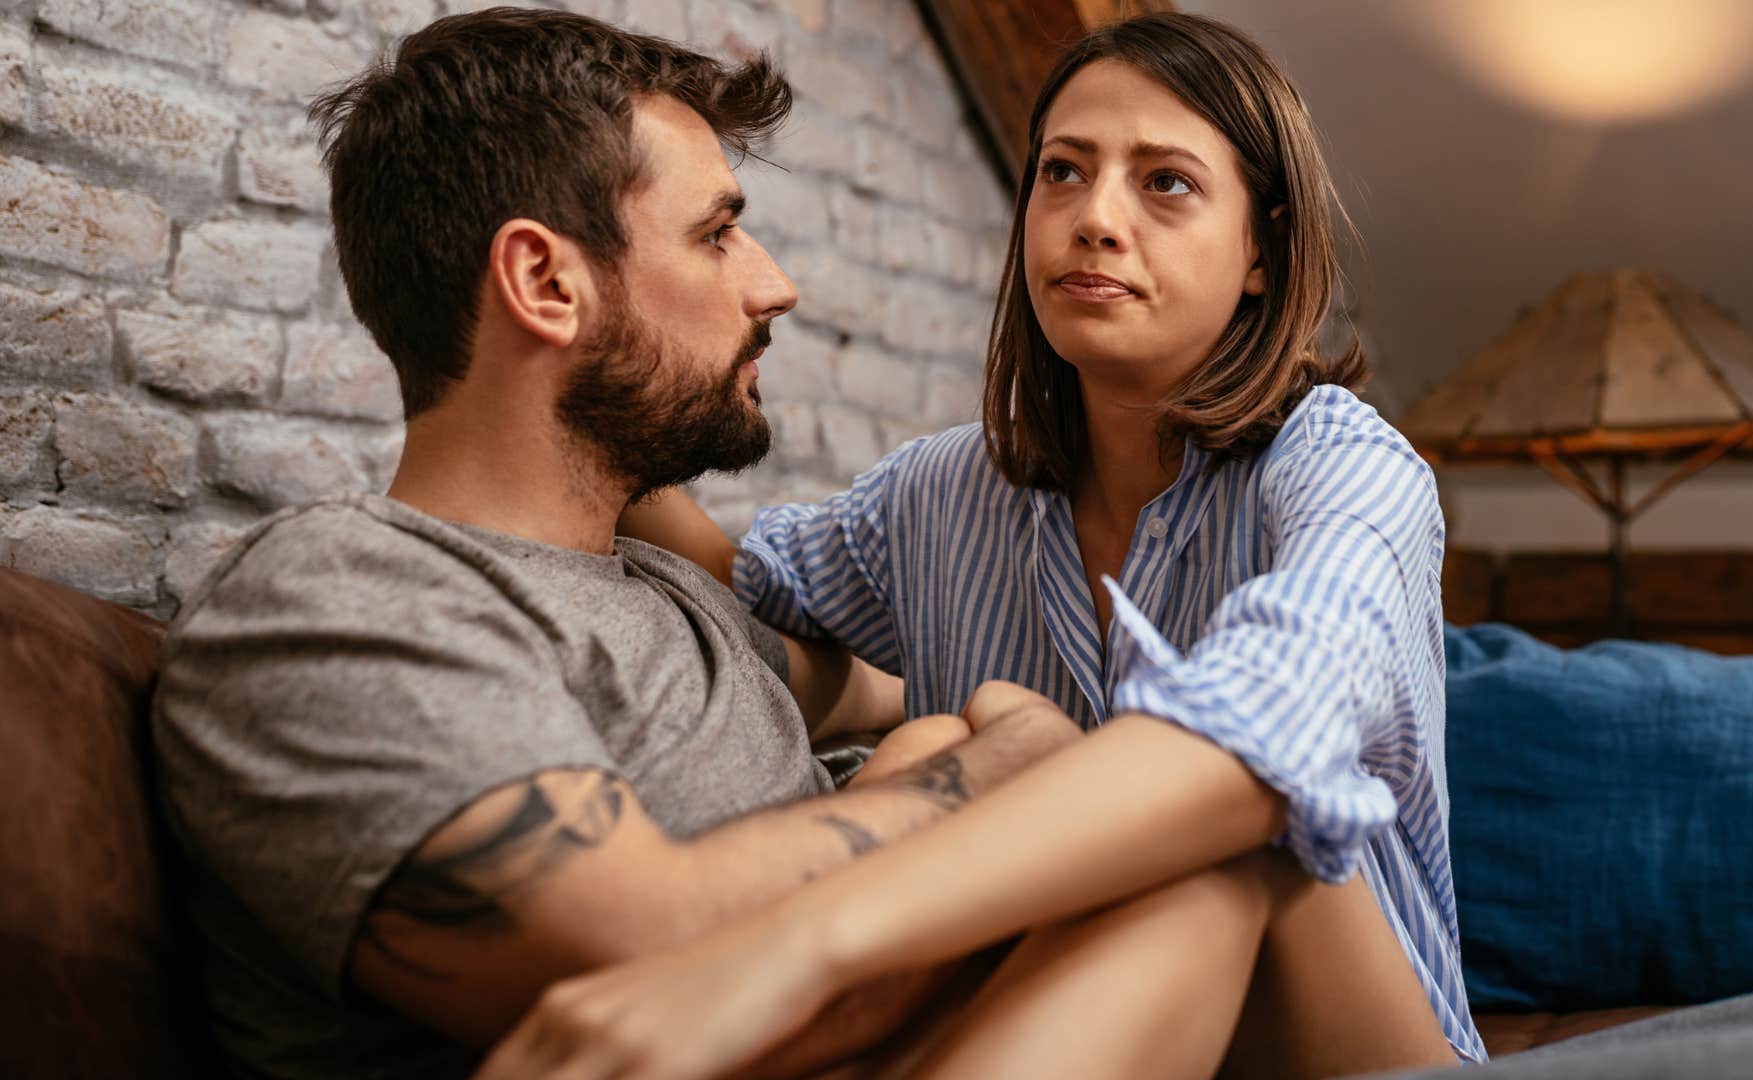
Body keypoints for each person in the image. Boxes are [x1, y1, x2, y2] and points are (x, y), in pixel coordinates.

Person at [477, 9, 1753, 1080]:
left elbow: (1255, 738)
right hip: (1066, 1033)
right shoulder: (937, 497)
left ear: (1258, 257)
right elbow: (743, 585)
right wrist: (604, 386)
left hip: (1352, 1042)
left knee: (1231, 834)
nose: (1093, 219)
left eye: (1164, 184)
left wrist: (789, 943)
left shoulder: (1349, 472)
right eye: (1059, 173)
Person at [149, 10, 1265, 1078]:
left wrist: (956, 733)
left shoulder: (675, 599)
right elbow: (632, 958)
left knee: (1217, 859)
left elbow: (927, 686)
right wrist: (988, 764)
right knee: (1195, 877)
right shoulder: (341, 596)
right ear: (547, 283)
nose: (774, 285)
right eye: (717, 233)